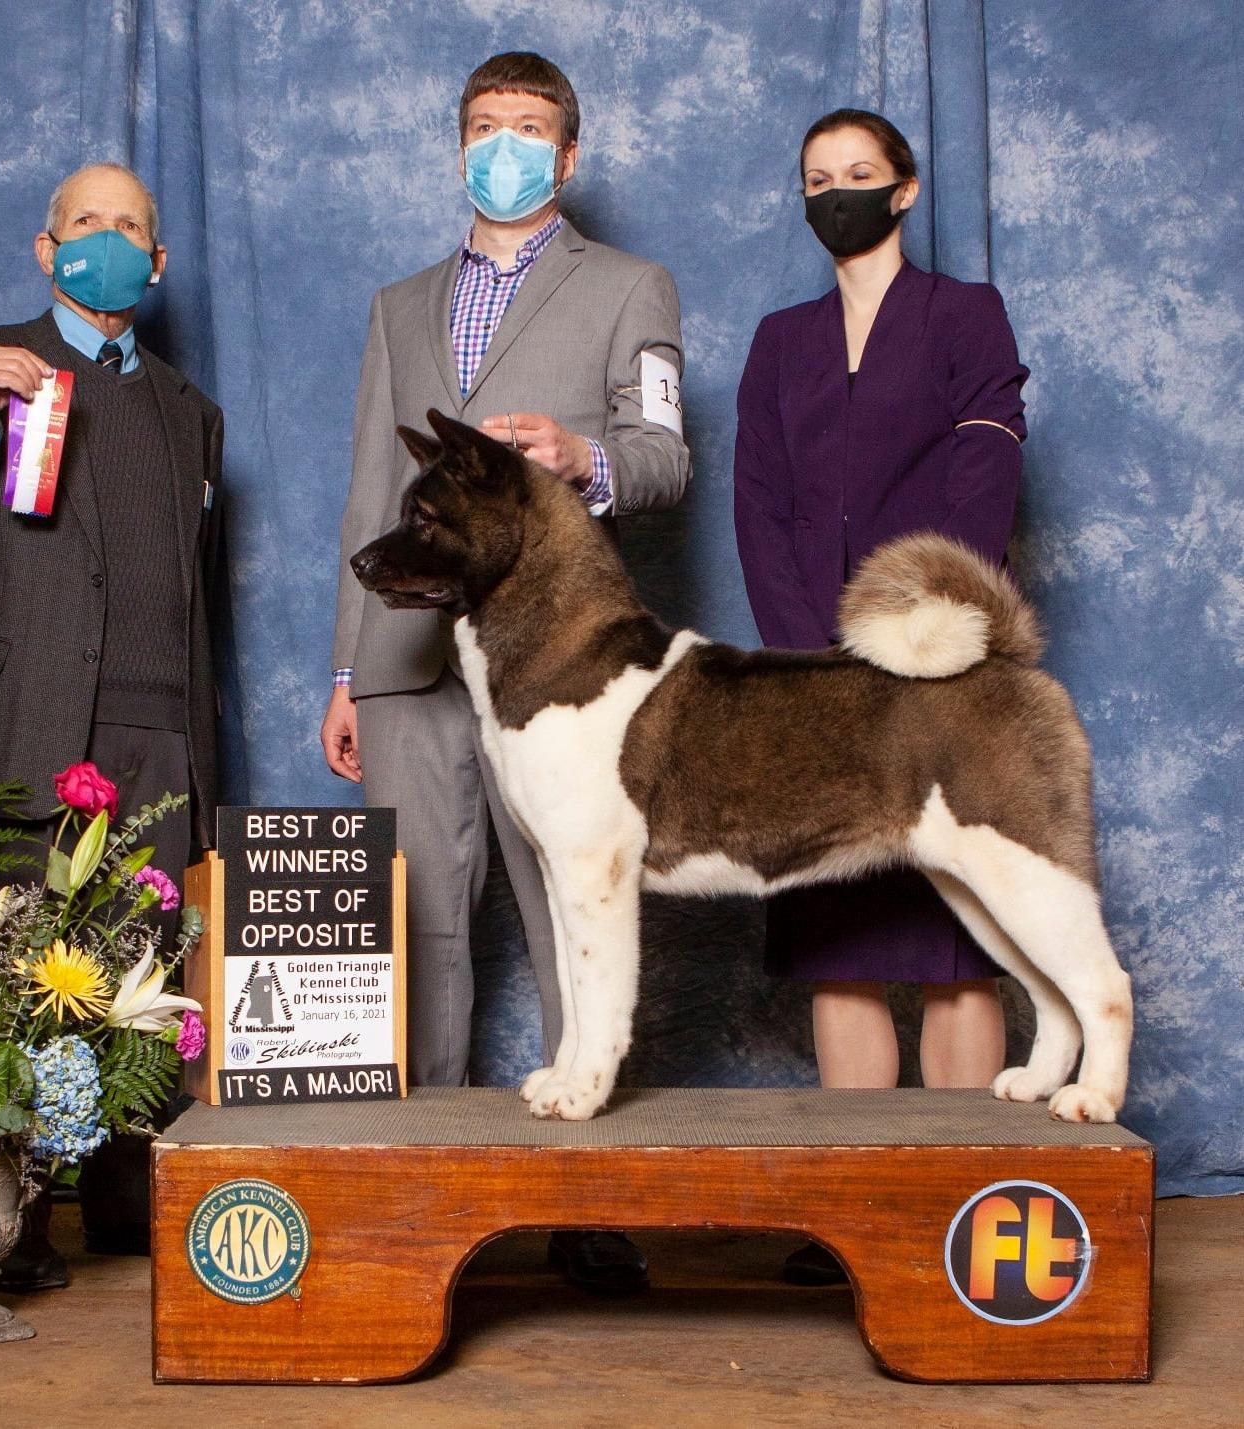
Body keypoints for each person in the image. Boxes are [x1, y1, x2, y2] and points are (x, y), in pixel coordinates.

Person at [322, 52, 690, 1293]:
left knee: (570, 907)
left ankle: (587, 1199)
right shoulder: (399, 303)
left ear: (568, 155)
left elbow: (664, 459)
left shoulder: (630, 286)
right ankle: (432, 1196)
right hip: (409, 656)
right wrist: (345, 669)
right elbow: (373, 492)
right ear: (458, 144)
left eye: (529, 128)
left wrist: (582, 455)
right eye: (485, 125)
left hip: (551, 654)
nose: (505, 146)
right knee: (423, 923)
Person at [0, 161, 226, 1288]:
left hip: (153, 733)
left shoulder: (189, 412)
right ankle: (3, 1218)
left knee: (137, 981)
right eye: (86, 222)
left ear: (155, 263)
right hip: (15, 716)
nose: (105, 239)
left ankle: (126, 1206)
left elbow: (198, 600)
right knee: (8, 978)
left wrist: (203, 762)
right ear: (47, 247)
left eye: (128, 227)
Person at [733, 109, 1029, 1284]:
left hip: (943, 666)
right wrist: (809, 655)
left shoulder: (964, 316)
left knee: (957, 938)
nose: (837, 192)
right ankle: (856, 1211)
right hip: (817, 682)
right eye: (818, 179)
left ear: (903, 191)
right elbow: (758, 505)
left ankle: (961, 1202)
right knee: (842, 940)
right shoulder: (779, 340)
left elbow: (984, 468)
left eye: (858, 174)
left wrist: (921, 627)